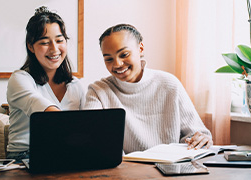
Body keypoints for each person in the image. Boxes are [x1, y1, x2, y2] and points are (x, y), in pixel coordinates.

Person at [84, 24, 213, 154]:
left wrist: (200, 139)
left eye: (124, 54)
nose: (117, 64)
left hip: (169, 168)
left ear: (140, 49)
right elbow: (92, 137)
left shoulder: (169, 84)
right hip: (123, 169)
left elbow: (197, 134)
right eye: (109, 59)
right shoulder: (98, 91)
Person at [6, 6, 85, 161]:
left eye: (59, 40)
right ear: (31, 46)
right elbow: (42, 110)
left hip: (66, 153)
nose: (54, 49)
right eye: (44, 42)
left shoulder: (75, 85)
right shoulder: (20, 79)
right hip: (25, 157)